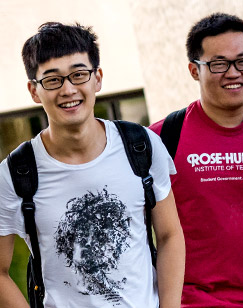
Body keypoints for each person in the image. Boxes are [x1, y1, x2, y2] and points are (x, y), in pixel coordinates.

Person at [0, 22, 185, 308]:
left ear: (97, 78)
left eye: (79, 74)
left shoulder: (141, 145)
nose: (68, 89)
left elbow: (169, 235)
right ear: (34, 91)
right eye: (52, 80)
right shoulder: (16, 172)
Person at [150, 12, 243, 308]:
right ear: (194, 70)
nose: (233, 72)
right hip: (196, 302)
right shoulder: (161, 139)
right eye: (218, 64)